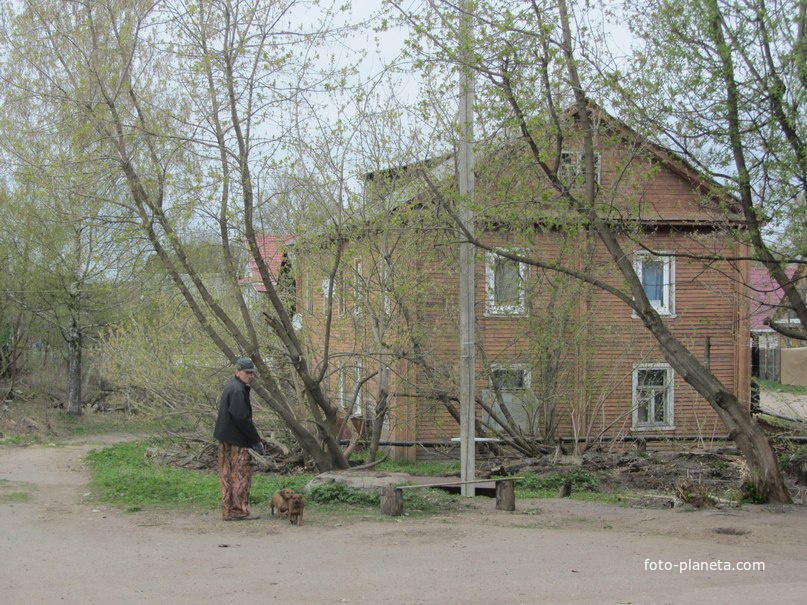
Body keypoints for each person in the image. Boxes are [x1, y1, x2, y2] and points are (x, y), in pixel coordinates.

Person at [213, 357, 265, 521]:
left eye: (251, 373)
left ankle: (228, 510)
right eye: (247, 372)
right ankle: (239, 510)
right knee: (241, 475)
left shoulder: (231, 386)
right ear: (238, 371)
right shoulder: (238, 389)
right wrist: (255, 440)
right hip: (236, 440)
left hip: (225, 437)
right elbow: (241, 418)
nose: (250, 376)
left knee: (227, 475)